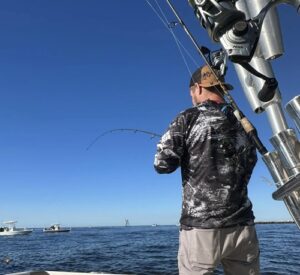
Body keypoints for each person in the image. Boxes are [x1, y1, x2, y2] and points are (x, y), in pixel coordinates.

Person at [154, 65, 260, 275]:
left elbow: (162, 165)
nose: (192, 96)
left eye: (192, 92)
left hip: (201, 228)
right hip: (243, 225)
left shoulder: (187, 118)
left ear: (199, 88)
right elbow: (250, 162)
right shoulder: (244, 124)